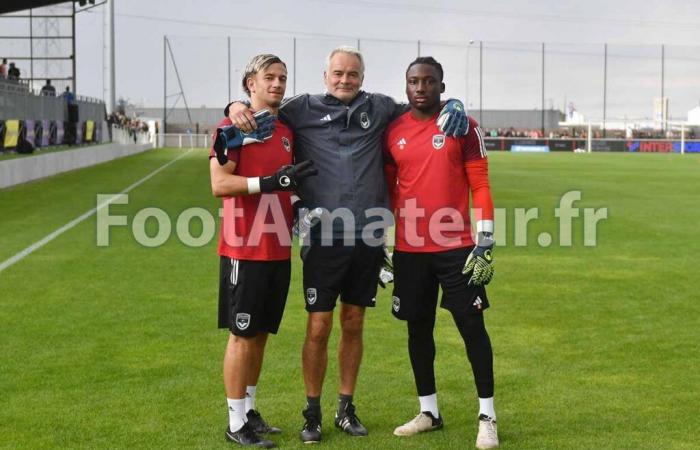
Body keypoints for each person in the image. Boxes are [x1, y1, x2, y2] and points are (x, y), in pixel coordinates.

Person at [226, 46, 470, 444]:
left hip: (368, 236)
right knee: (319, 326)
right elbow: (260, 103)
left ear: (362, 77)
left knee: (353, 323)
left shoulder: (380, 108)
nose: (345, 80)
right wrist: (235, 102)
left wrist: (453, 100)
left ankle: (345, 407)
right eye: (338, 73)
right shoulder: (300, 108)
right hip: (323, 238)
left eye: (352, 74)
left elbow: (421, 105)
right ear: (325, 76)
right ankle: (312, 412)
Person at [383, 57, 499, 449]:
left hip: (457, 249)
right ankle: (428, 411)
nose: (421, 88)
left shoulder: (463, 127)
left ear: (442, 86)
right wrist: (380, 240)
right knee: (418, 329)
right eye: (414, 81)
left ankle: (487, 416)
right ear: (406, 86)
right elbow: (385, 190)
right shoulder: (392, 131)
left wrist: (484, 240)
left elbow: (480, 185)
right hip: (410, 249)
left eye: (428, 81)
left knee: (472, 327)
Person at [209, 53, 317, 448]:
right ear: (249, 84)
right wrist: (269, 182)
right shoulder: (230, 127)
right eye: (269, 77)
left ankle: (249, 411)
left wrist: (300, 209)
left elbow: (289, 186)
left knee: (260, 335)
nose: (277, 84)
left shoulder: (285, 130)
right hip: (244, 248)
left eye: (282, 77)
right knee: (241, 335)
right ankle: (234, 422)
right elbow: (220, 184)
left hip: (278, 249)